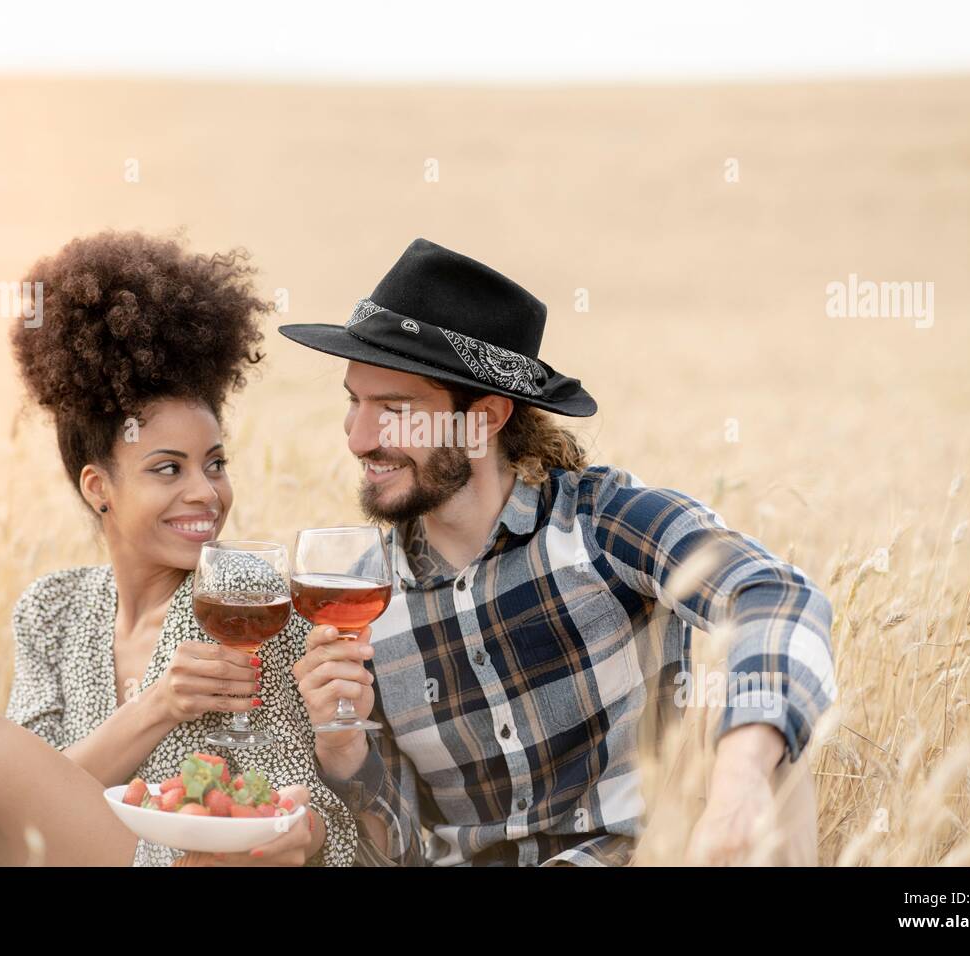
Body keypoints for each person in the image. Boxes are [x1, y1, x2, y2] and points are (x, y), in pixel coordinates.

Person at [0, 231, 356, 867]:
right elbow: (14, 789)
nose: (207, 493)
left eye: (215, 463)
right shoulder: (54, 609)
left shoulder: (244, 606)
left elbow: (292, 803)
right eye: (168, 469)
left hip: (171, 861)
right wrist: (157, 707)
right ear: (98, 487)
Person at [281, 238, 837, 866]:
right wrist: (347, 754)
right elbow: (402, 851)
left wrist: (738, 784)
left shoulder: (603, 524)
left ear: (483, 418)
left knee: (770, 746)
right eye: (354, 402)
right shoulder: (359, 599)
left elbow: (777, 596)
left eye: (394, 409)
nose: (358, 439)